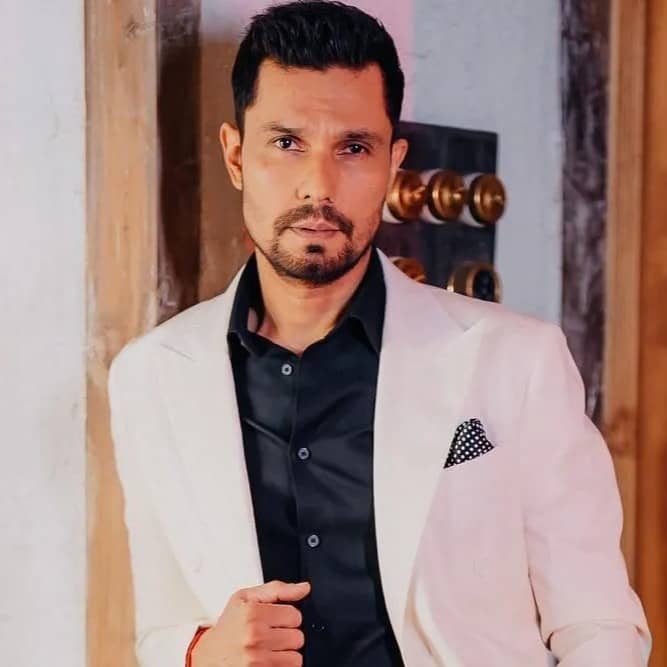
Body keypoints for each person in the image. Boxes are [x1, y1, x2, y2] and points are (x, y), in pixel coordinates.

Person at [108, 2, 651, 666]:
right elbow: (162, 624)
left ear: (393, 162)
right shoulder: (153, 375)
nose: (318, 186)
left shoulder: (517, 360)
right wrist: (197, 654)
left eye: (353, 148)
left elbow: (597, 622)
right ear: (236, 155)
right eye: (287, 143)